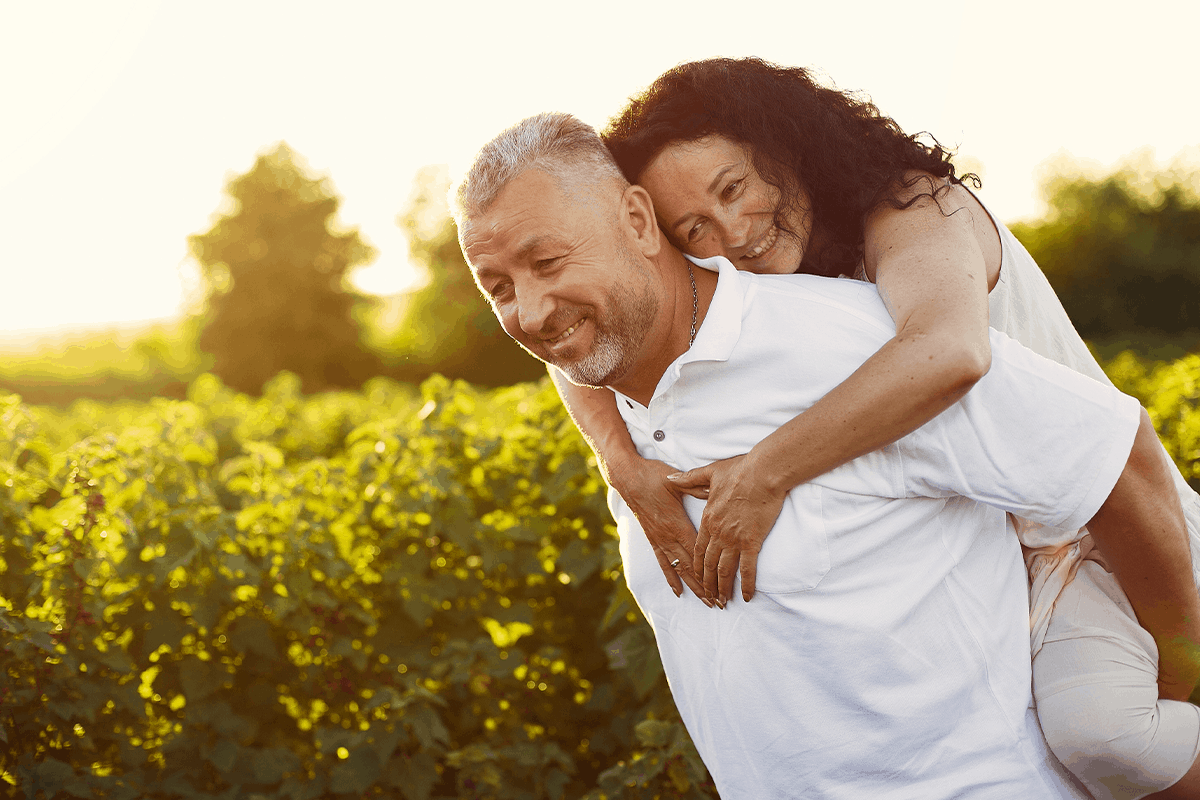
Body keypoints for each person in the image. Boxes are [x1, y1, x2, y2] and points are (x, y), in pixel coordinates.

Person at [452, 112, 1199, 799]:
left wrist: (1183, 670)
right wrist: (615, 455)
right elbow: (563, 344)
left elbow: (1111, 453)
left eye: (547, 261)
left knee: (1114, 734)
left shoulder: (865, 328)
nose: (531, 310)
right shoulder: (620, 398)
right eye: (498, 288)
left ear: (637, 221)